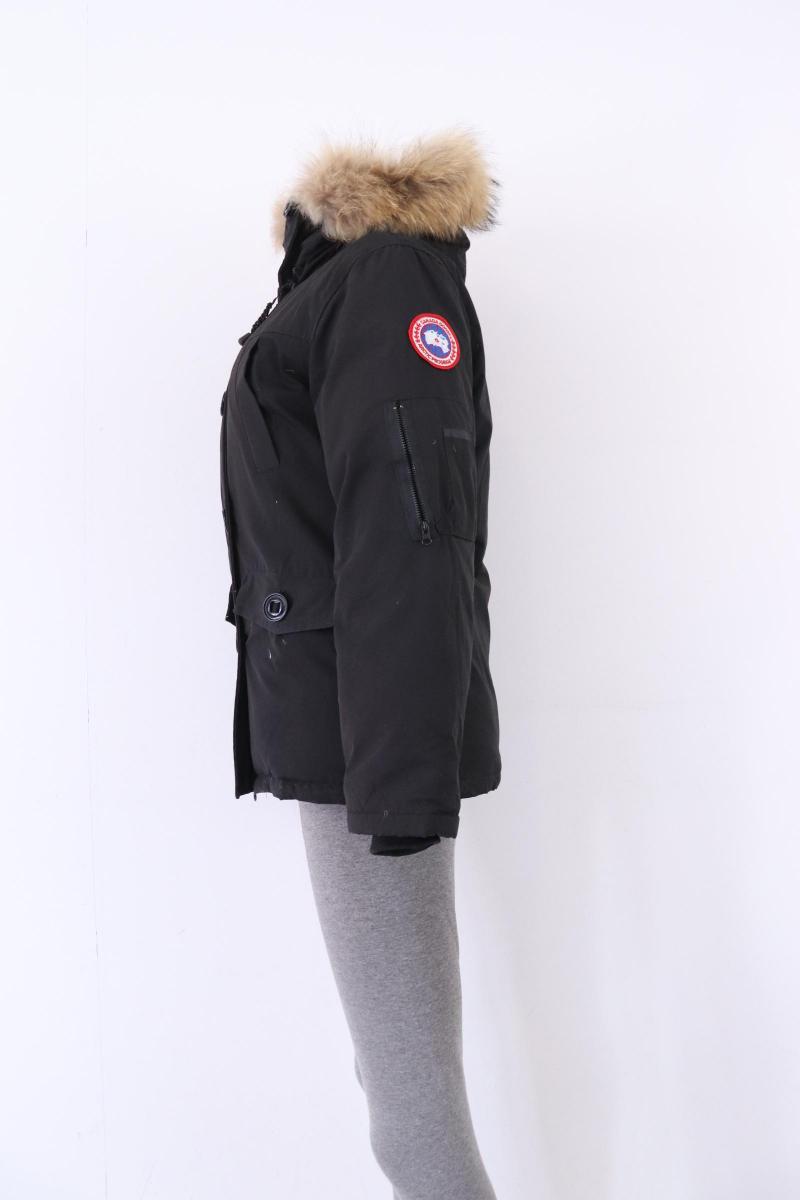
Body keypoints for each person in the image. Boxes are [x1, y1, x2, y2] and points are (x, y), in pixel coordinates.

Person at [219, 128, 502, 1198]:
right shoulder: (335, 288)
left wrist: (397, 792)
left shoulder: (381, 280)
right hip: (346, 730)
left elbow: (408, 539)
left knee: (411, 1107)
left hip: (367, 747)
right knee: (396, 1083)